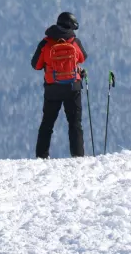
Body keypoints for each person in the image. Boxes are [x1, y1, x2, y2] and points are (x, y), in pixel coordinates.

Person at [31, 12, 88, 159]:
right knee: (75, 123)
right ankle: (78, 156)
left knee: (47, 124)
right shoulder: (74, 41)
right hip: (72, 87)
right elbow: (83, 57)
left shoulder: (46, 42)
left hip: (52, 88)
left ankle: (41, 156)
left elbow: (35, 65)